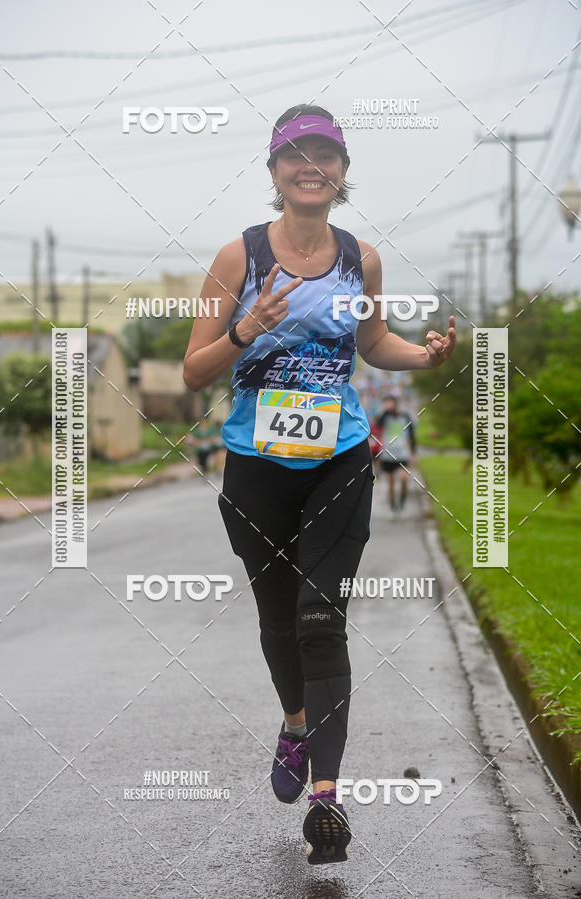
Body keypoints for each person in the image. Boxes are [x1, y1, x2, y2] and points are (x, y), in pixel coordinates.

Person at [183, 103, 456, 865]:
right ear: (275, 171)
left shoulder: (360, 259)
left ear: (342, 171)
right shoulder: (237, 257)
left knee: (319, 617)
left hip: (340, 457)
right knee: (278, 620)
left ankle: (326, 797)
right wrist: (247, 329)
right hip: (256, 465)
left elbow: (373, 340)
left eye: (326, 155)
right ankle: (296, 724)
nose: (312, 167)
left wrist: (423, 354)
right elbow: (194, 368)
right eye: (296, 155)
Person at [375, 395, 417, 517]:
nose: (388, 405)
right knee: (391, 482)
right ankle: (393, 507)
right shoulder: (385, 417)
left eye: (390, 403)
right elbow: (377, 425)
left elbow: (411, 435)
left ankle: (402, 502)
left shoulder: (405, 416)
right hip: (388, 453)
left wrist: (413, 453)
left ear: (395, 403)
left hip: (403, 453)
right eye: (386, 403)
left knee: (404, 479)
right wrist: (386, 411)